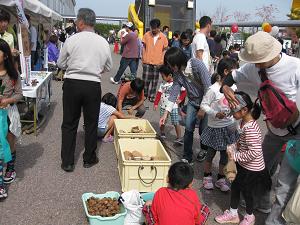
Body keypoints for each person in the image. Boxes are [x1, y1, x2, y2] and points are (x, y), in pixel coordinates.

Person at [221, 31, 300, 217]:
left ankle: (274, 221)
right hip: (274, 131)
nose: (255, 65)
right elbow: (232, 77)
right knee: (260, 168)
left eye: (258, 60)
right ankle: (261, 204)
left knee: (285, 182)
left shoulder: (296, 67)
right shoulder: (254, 68)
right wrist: (225, 87)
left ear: (271, 54)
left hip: (297, 132)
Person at [57, 8, 112, 172]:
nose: (75, 23)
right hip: (92, 84)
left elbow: (60, 63)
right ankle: (89, 158)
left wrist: (73, 65)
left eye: (76, 20)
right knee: (91, 122)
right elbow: (108, 66)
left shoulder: (72, 40)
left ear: (81, 22)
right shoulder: (103, 42)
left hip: (72, 83)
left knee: (69, 123)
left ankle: (67, 161)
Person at [215, 91, 271, 225]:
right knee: (235, 187)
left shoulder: (250, 128)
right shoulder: (244, 123)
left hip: (252, 169)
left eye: (233, 108)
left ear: (245, 110)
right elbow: (242, 142)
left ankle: (249, 216)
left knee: (247, 193)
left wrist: (235, 156)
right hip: (244, 165)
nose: (231, 110)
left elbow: (255, 152)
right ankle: (233, 213)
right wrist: (234, 146)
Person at [159, 47, 211, 164]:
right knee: (188, 128)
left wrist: (203, 108)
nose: (170, 67)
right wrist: (165, 114)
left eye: (170, 64)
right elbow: (173, 94)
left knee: (203, 130)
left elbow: (209, 87)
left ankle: (204, 149)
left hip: (206, 101)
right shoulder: (177, 74)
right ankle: (187, 156)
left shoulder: (197, 65)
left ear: (177, 61)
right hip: (192, 102)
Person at [200, 58, 239, 192]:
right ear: (226, 71)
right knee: (210, 154)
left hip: (228, 127)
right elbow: (203, 105)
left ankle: (221, 179)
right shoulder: (213, 89)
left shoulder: (234, 87)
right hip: (214, 128)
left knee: (225, 155)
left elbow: (237, 103)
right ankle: (207, 177)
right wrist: (215, 113)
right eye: (235, 71)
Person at [143, 162, 210, 225]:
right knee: (205, 208)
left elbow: (155, 217)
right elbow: (198, 220)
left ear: (167, 178)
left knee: (148, 203)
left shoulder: (160, 192)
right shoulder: (192, 195)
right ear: (190, 184)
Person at [0, 39, 23, 198]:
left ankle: (11, 168)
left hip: (8, 114)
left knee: (10, 142)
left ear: (5, 56)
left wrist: (6, 100)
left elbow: (19, 94)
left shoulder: (13, 74)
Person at [153, 65, 186, 143]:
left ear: (170, 75)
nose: (162, 77)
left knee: (176, 122)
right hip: (163, 106)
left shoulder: (176, 83)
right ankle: (162, 133)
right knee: (162, 120)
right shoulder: (163, 83)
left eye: (163, 76)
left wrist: (180, 99)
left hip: (173, 106)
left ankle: (179, 137)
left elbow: (184, 91)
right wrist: (156, 103)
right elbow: (159, 93)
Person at [142, 18, 168, 102]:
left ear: (159, 27)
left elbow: (164, 50)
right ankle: (145, 94)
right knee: (145, 80)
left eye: (155, 28)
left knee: (154, 81)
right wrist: (143, 58)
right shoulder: (146, 35)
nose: (153, 29)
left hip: (158, 62)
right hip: (147, 61)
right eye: (151, 27)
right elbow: (143, 47)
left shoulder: (163, 37)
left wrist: (162, 61)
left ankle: (152, 95)